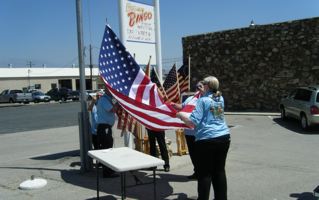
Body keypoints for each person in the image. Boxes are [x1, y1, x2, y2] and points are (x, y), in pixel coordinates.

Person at [176, 76, 230, 200]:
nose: (200, 86)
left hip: (207, 139)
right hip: (223, 137)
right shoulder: (219, 98)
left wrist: (180, 115)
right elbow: (215, 116)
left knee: (204, 173)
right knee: (219, 171)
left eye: (202, 84)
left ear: (207, 86)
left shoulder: (202, 101)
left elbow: (192, 122)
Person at [171, 81, 204, 180]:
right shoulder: (191, 98)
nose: (198, 87)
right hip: (189, 131)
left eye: (201, 86)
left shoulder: (205, 98)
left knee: (201, 155)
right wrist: (174, 105)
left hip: (199, 132)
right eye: (197, 86)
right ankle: (197, 172)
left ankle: (203, 173)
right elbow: (183, 107)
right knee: (193, 154)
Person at [96, 87, 119, 178]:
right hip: (104, 127)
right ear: (107, 91)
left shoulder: (106, 99)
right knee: (107, 149)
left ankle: (107, 170)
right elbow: (112, 110)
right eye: (111, 90)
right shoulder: (104, 100)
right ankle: (107, 172)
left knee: (107, 148)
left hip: (105, 127)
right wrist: (117, 103)